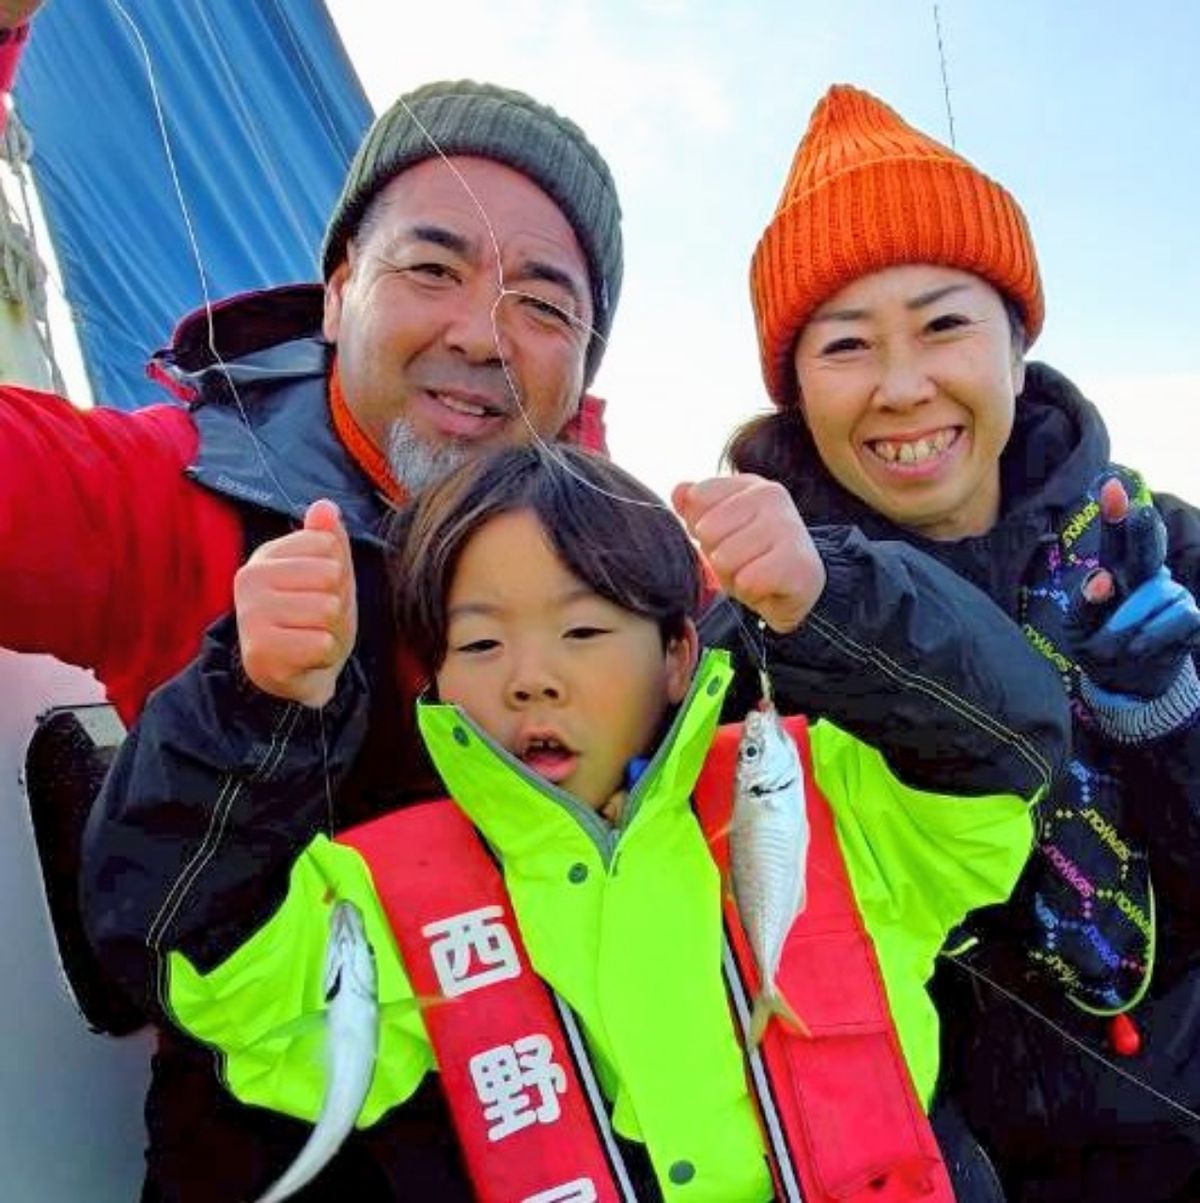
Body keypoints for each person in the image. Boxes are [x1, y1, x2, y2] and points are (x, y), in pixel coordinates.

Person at [84, 442, 1070, 1201]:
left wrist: (836, 599)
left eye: (585, 630)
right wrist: (248, 707)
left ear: (680, 655)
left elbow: (1001, 757)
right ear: (435, 681)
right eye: (480, 641)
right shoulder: (386, 896)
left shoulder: (834, 800)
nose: (531, 676)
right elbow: (205, 968)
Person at [731, 83, 1200, 1201]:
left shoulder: (1164, 545)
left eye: (944, 325)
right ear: (795, 389)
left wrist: (1169, 716)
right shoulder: (753, 624)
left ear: (1016, 344)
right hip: (939, 1155)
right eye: (845, 346)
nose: (902, 388)